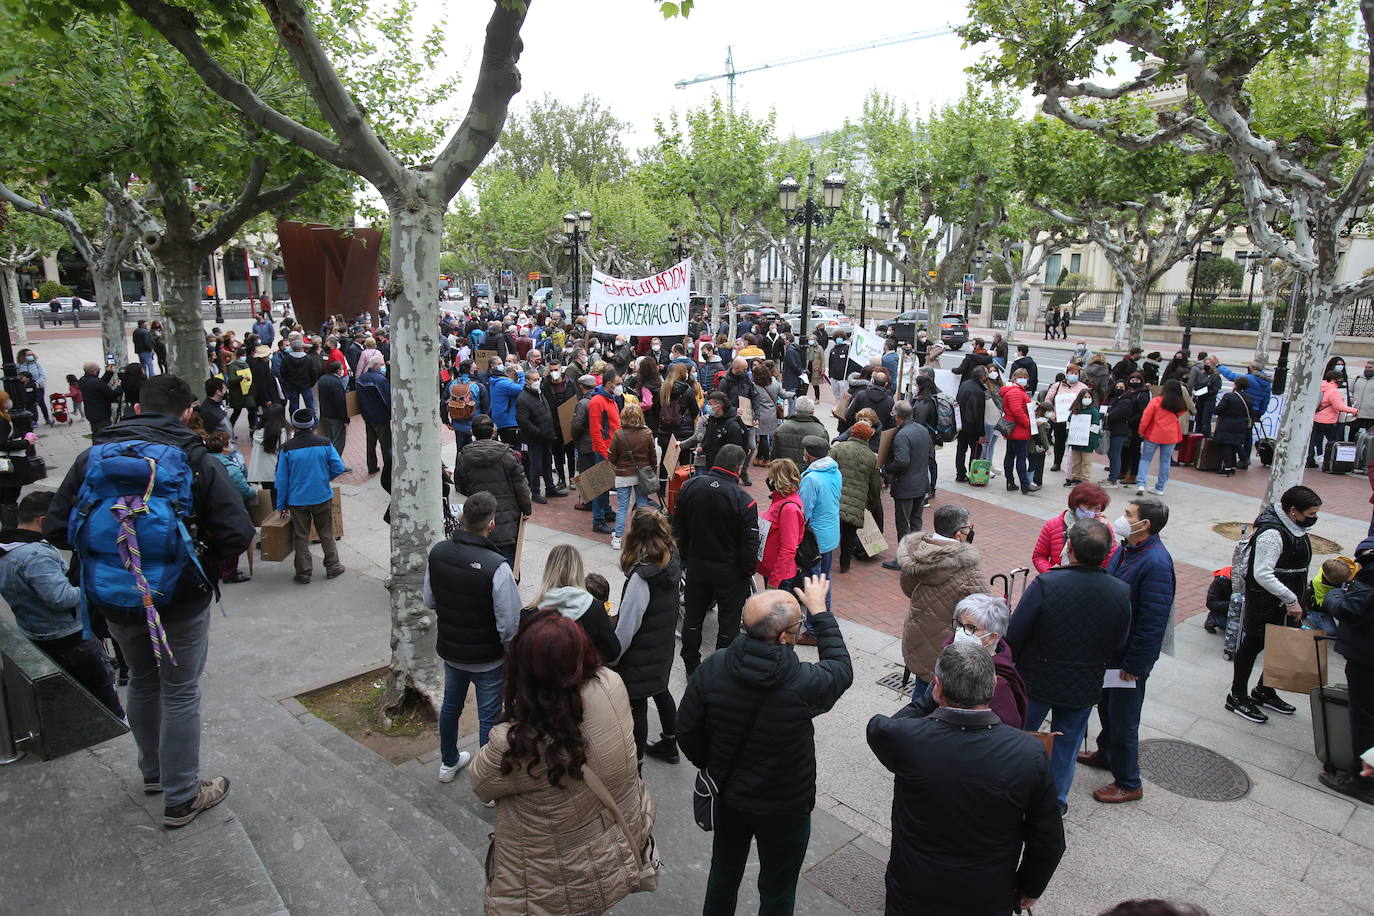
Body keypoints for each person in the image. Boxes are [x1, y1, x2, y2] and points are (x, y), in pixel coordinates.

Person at [45, 374, 255, 828]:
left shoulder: (92, 457)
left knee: (141, 680)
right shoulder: (196, 459)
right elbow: (239, 532)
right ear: (186, 412)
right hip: (178, 598)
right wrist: (198, 559)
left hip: (113, 596)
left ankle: (155, 774)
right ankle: (182, 796)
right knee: (180, 691)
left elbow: (57, 527)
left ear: (137, 409)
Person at [678, 575, 852, 914]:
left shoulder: (714, 667)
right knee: (777, 888)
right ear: (785, 636)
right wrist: (820, 611)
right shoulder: (803, 682)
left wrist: (713, 764)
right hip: (786, 806)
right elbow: (841, 670)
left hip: (730, 796)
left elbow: (687, 731)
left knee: (723, 874)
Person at [470, 610, 655, 915]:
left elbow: (480, 784)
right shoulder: (612, 685)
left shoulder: (518, 743)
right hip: (613, 850)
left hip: (548, 879)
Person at [866, 641, 1065, 916]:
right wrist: (1029, 887)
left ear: (938, 687)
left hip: (915, 889)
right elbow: (1048, 839)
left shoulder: (907, 739)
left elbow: (880, 728)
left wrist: (926, 700)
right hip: (987, 895)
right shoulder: (1028, 753)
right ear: (994, 687)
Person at [1008, 519, 1132, 810]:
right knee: (1067, 743)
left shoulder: (1047, 583)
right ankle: (1056, 801)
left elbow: (1015, 633)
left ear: (1070, 548)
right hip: (1084, 682)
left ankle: (1010, 789)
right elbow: (1120, 640)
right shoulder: (1120, 591)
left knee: (1020, 736)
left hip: (1036, 677)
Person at [1079, 495, 1175, 804]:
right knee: (1108, 707)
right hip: (1112, 652)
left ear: (1144, 524)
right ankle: (1107, 753)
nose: (1122, 518)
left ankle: (1129, 781)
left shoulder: (1156, 562)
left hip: (1128, 660)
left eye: (1128, 514)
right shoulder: (1127, 549)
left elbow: (1152, 622)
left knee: (1124, 718)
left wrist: (1134, 665)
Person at [0, 491, 125, 717]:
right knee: (103, 692)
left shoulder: (7, 547)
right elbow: (61, 598)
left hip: (35, 631)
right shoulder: (35, 555)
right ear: (43, 521)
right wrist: (96, 587)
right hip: (69, 638)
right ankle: (114, 722)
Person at [425, 491, 521, 782]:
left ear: (462, 518)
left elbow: (429, 600)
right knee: (489, 718)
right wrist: (509, 652)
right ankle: (487, 777)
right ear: (490, 525)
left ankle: (448, 762)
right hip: (487, 658)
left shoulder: (438, 552)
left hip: (452, 652)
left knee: (450, 707)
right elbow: (509, 623)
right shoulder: (498, 567)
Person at [1226, 485, 1322, 723]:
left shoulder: (1294, 527)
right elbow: (1261, 573)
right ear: (1292, 511)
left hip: (1289, 599)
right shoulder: (1272, 534)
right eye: (1310, 514)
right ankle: (1237, 695)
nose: (1313, 519)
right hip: (1268, 602)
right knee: (1253, 645)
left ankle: (1264, 690)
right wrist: (1290, 599)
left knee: (1280, 645)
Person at [674, 443, 758, 674]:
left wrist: (683, 558)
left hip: (697, 567)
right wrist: (747, 570)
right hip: (730, 573)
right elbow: (749, 544)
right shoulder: (744, 500)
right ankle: (719, 670)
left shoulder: (689, 487)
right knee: (728, 625)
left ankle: (691, 665)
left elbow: (678, 528)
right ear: (739, 468)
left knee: (693, 619)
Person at [611, 507, 683, 763]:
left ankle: (636, 765)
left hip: (640, 653)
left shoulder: (642, 577)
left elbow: (627, 626)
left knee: (637, 705)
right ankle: (670, 743)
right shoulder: (670, 558)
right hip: (662, 645)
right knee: (661, 689)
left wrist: (612, 656)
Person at [896, 504, 988, 697]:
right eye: (969, 528)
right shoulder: (969, 567)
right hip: (947, 646)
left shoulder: (916, 553)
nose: (971, 532)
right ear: (958, 534)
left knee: (921, 690)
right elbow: (981, 611)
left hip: (918, 634)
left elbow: (907, 589)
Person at [1319, 537, 1374, 803]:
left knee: (1364, 718)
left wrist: (1334, 594)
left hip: (1367, 657)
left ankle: (1363, 780)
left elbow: (1350, 609)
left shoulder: (1370, 575)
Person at [274, 407, 346, 584]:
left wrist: (281, 505)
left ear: (295, 426)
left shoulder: (286, 449)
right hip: (321, 495)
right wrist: (323, 478)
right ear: (312, 424)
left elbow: (281, 480)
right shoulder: (325, 442)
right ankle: (333, 566)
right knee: (326, 532)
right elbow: (338, 466)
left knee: (301, 535)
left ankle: (304, 572)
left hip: (297, 500)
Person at [453, 415, 532, 567]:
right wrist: (526, 509)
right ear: (493, 431)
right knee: (507, 565)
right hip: (506, 521)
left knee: (480, 566)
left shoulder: (463, 457)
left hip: (478, 522)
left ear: (472, 433)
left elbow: (460, 488)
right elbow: (521, 486)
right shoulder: (508, 455)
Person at [882, 402, 934, 573]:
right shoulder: (922, 430)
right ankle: (915, 555)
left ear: (898, 416)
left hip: (905, 486)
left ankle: (903, 559)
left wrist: (886, 468)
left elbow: (902, 461)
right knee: (916, 521)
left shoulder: (902, 435)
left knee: (903, 524)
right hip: (920, 484)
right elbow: (929, 454)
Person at [797, 436, 842, 619]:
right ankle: (824, 615)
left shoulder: (811, 479)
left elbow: (804, 511)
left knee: (814, 582)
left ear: (808, 454)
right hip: (830, 534)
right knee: (824, 578)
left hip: (814, 539)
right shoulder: (835, 471)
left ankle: (815, 627)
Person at [833, 420, 881, 574]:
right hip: (857, 501)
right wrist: (873, 503)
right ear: (868, 438)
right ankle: (844, 564)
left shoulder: (839, 448)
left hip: (836, 497)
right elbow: (875, 485)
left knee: (831, 528)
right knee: (849, 534)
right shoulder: (871, 457)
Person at [1032, 481, 1112, 573]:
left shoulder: (1103, 529)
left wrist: (1105, 531)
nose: (1092, 513)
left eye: (1097, 508)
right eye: (1088, 508)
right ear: (1076, 504)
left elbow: (1110, 561)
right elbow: (1039, 556)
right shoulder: (1053, 525)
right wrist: (1052, 575)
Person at [205, 431, 253, 585]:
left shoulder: (204, 463)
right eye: (229, 443)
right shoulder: (230, 468)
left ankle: (219, 570)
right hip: (228, 510)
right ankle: (229, 572)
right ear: (224, 447)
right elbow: (245, 490)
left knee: (214, 541)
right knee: (233, 540)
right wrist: (255, 490)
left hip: (208, 510)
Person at [608, 402, 657, 548]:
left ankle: (617, 538)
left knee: (622, 507)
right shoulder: (647, 433)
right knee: (642, 506)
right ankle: (641, 538)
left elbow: (611, 458)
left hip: (623, 475)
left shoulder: (619, 434)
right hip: (642, 475)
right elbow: (652, 456)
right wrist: (652, 470)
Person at [1210, 356, 1272, 468]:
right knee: (1248, 434)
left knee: (1236, 434)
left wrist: (1219, 366)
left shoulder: (1249, 379)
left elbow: (1231, 376)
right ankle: (1246, 457)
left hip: (1242, 408)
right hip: (1254, 411)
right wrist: (1260, 412)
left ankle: (1242, 457)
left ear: (1253, 368)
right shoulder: (1266, 382)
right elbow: (1266, 400)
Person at [570, 375, 613, 534]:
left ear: (581, 386)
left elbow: (577, 425)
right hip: (599, 443)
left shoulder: (583, 403)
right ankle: (605, 508)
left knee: (589, 477)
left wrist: (573, 436)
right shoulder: (600, 400)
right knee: (601, 479)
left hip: (587, 444)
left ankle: (591, 504)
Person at [515, 368, 564, 504]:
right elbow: (523, 421)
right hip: (535, 438)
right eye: (535, 380)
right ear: (528, 381)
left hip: (546, 436)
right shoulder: (523, 398)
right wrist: (538, 431)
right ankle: (535, 492)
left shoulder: (539, 393)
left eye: (539, 379)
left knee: (547, 462)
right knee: (536, 466)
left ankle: (550, 487)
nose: (538, 382)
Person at [1135, 380, 1187, 495]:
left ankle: (1141, 484)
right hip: (1171, 435)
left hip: (1154, 433)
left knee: (1145, 459)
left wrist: (1141, 431)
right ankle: (1160, 487)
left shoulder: (1156, 401)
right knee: (1165, 461)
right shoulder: (1180, 404)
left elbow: (1145, 418)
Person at [355, 355, 393, 487]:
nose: (384, 366)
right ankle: (389, 468)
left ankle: (371, 466)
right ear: (376, 365)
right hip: (380, 417)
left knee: (370, 443)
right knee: (386, 444)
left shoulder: (362, 378)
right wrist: (391, 413)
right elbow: (387, 399)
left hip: (367, 415)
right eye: (382, 364)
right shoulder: (380, 380)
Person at [1310, 369, 1359, 468]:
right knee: (1332, 442)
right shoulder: (1333, 391)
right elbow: (1338, 406)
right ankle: (1328, 463)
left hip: (1316, 418)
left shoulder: (1320, 386)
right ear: (1334, 379)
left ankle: (1309, 460)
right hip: (1328, 420)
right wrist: (1354, 411)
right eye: (1340, 379)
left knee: (1312, 441)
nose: (1341, 381)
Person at [1000, 367, 1036, 493]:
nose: (1024, 380)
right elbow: (1017, 411)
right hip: (1019, 429)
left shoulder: (1014, 390)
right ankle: (1025, 485)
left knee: (1010, 455)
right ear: (1014, 378)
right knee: (1021, 457)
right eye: (1021, 377)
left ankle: (1010, 482)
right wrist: (1028, 423)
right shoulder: (1016, 392)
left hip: (1012, 428)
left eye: (1026, 377)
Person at [1210, 375, 1252, 476]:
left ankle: (1227, 467)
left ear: (1236, 385)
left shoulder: (1229, 396)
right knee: (1234, 445)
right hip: (1241, 424)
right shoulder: (1249, 398)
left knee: (1226, 446)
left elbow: (1219, 410)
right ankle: (1232, 466)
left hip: (1227, 423)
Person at [954, 365, 988, 483]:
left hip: (961, 424)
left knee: (961, 450)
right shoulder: (979, 392)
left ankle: (960, 474)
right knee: (975, 451)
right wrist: (981, 433)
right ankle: (972, 474)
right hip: (972, 427)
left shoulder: (965, 384)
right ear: (983, 377)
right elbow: (979, 414)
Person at [771, 396, 827, 467]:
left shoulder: (781, 429)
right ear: (812, 411)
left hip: (786, 472)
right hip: (809, 473)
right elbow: (824, 458)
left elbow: (774, 456)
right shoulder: (820, 431)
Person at [247, 403, 289, 493]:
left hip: (263, 474)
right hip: (279, 472)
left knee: (269, 499)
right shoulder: (285, 433)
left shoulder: (257, 433)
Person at [1065, 388, 1102, 486]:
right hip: (1076, 441)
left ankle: (1085, 480)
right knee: (1076, 461)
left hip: (1088, 442)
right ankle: (1076, 478)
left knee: (1086, 462)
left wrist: (1091, 440)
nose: (1087, 399)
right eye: (1085, 397)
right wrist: (1071, 433)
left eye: (1089, 397)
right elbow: (1069, 423)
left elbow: (1095, 427)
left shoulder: (1094, 412)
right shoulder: (1075, 411)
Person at [316, 360, 350, 468]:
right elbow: (340, 401)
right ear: (338, 370)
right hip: (335, 416)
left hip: (325, 414)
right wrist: (345, 418)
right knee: (338, 441)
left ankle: (330, 462)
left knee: (331, 440)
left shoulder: (322, 379)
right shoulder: (336, 382)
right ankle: (336, 464)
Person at [78, 361, 122, 436]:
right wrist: (119, 387)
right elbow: (112, 395)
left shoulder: (82, 380)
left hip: (90, 413)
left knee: (95, 433)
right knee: (104, 435)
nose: (99, 370)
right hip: (102, 414)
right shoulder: (97, 383)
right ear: (93, 371)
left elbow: (99, 384)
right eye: (98, 369)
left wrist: (108, 373)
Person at [1349, 359, 1374, 438]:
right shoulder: (1358, 378)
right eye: (1366, 367)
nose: (1367, 369)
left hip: (1370, 414)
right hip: (1356, 412)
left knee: (1369, 436)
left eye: (1370, 367)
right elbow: (1350, 390)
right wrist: (1351, 397)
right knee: (1352, 434)